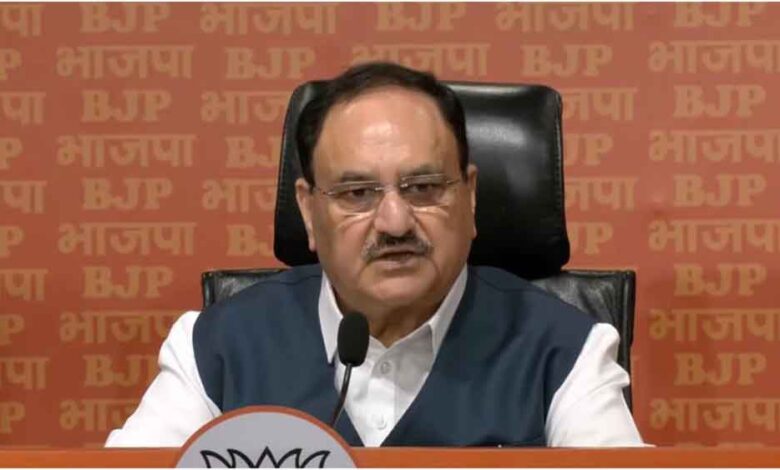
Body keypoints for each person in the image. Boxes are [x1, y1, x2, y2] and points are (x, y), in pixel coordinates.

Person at [106, 62, 645, 447]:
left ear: (470, 197)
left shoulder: (566, 350)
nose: (394, 222)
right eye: (357, 193)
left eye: (424, 187)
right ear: (309, 211)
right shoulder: (215, 348)